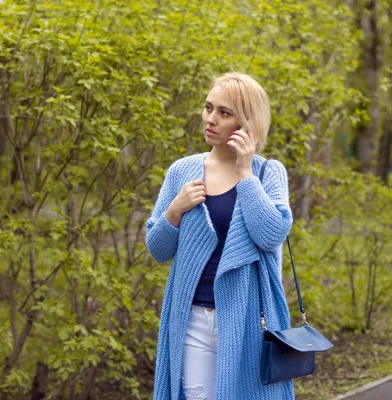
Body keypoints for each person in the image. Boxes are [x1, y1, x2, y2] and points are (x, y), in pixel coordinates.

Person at [146, 72, 294, 400]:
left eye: (224, 113)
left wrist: (244, 175)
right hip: (192, 320)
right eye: (208, 107)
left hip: (249, 322)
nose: (210, 119)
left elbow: (271, 235)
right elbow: (158, 250)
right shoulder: (181, 172)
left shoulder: (268, 173)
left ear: (247, 123)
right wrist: (174, 211)